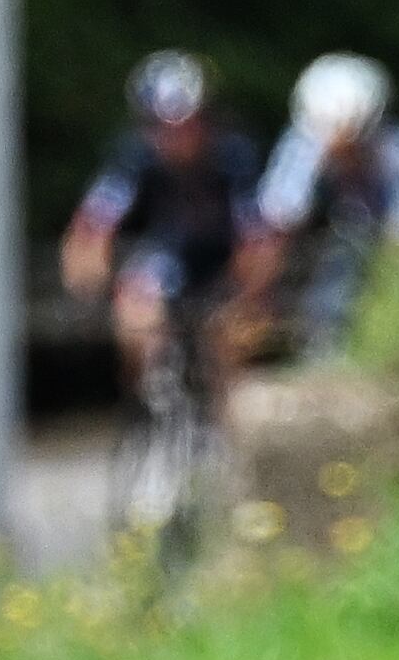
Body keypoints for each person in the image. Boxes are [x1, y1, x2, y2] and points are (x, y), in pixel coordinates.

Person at [59, 50, 262, 418]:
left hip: (224, 255)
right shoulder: (134, 156)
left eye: (190, 124)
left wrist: (246, 289)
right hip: (170, 253)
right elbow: (93, 224)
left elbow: (256, 236)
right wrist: (88, 284)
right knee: (137, 301)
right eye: (163, 127)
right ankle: (146, 397)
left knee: (234, 330)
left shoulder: (234, 156)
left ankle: (227, 423)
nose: (177, 137)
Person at [242, 51, 399, 361]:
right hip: (313, 253)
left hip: (378, 256)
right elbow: (278, 218)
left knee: (353, 245)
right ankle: (271, 335)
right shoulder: (302, 146)